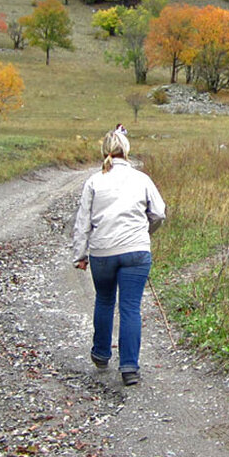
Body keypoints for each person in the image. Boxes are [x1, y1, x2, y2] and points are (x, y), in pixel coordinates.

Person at [72, 126, 165, 386]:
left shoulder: (94, 181)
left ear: (105, 152)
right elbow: (158, 213)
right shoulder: (142, 179)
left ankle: (101, 354)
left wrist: (80, 254)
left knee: (104, 300)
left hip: (103, 252)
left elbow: (83, 222)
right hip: (136, 250)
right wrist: (145, 232)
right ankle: (129, 368)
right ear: (127, 150)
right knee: (130, 307)